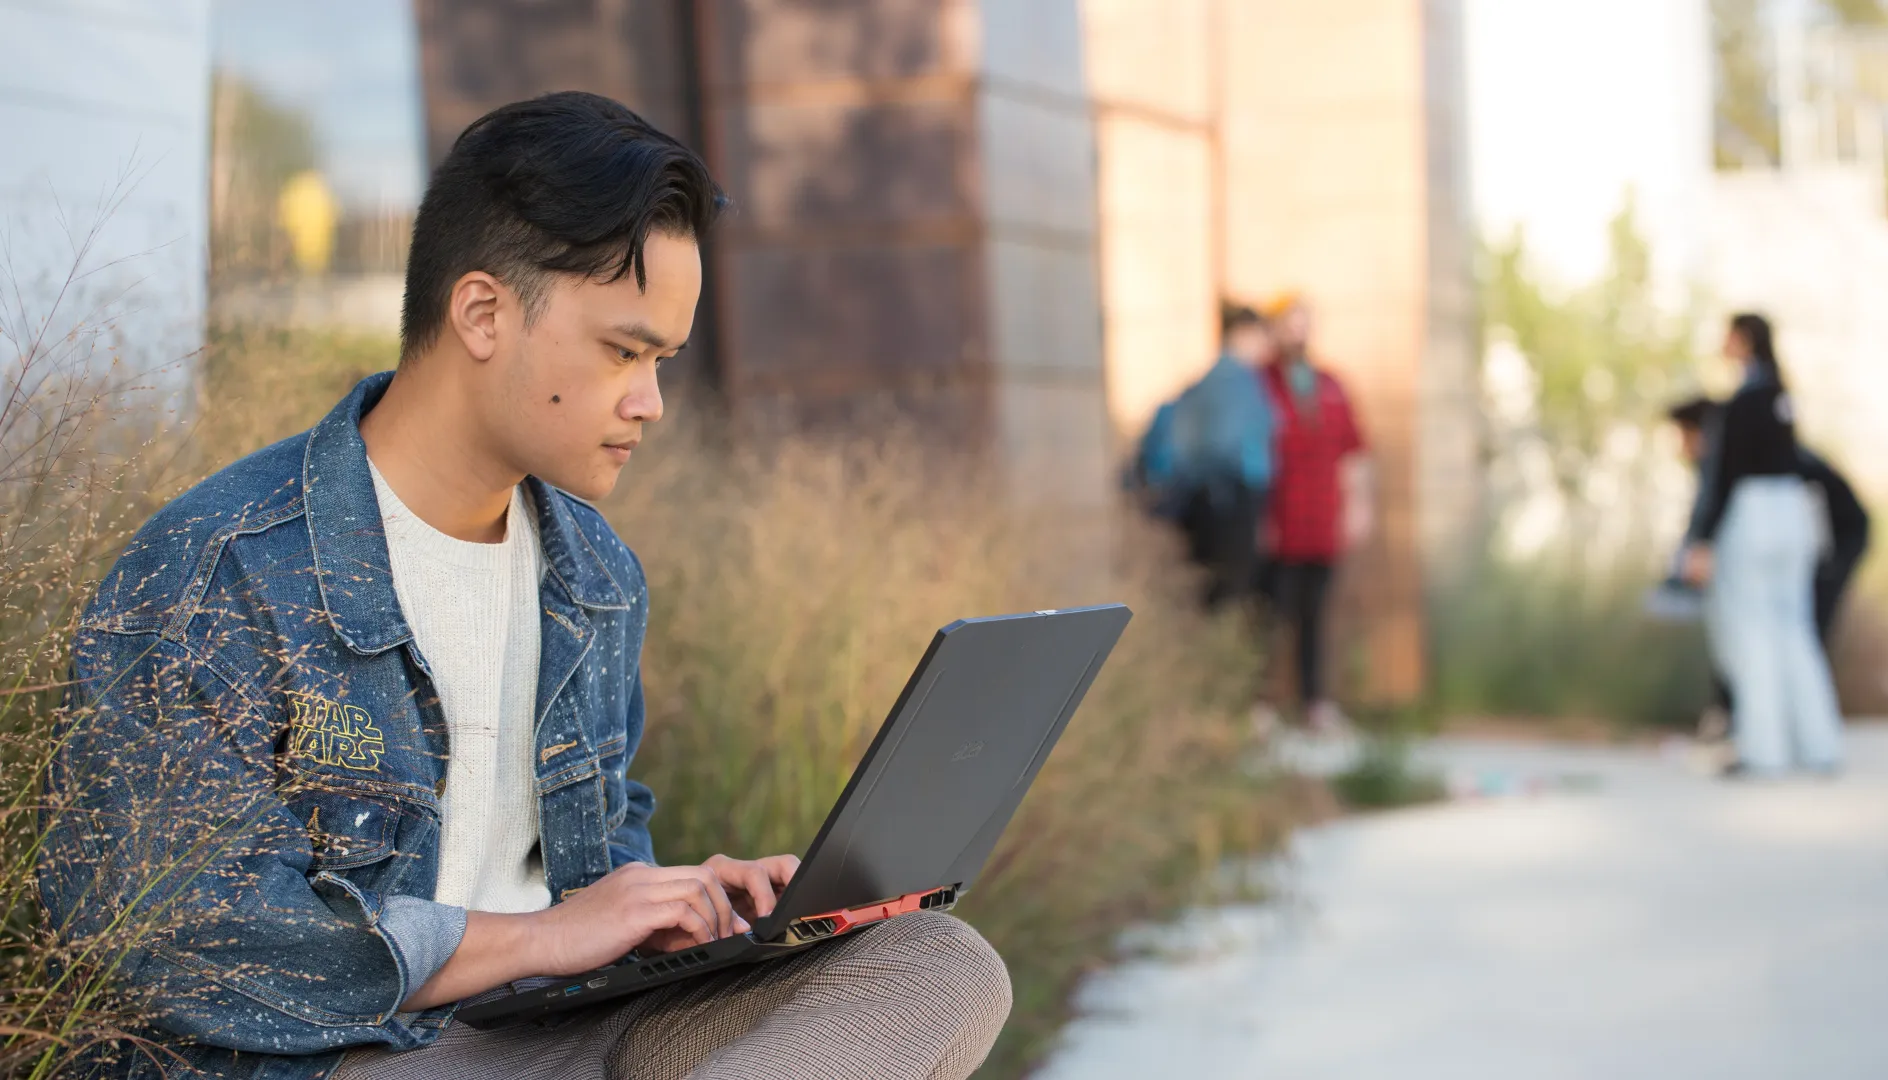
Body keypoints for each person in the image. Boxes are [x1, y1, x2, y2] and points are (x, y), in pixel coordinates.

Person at [38, 93, 1010, 1080]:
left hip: (549, 1032)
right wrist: (545, 937)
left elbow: (598, 854)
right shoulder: (221, 569)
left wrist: (671, 910)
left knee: (935, 962)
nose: (650, 402)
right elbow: (173, 937)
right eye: (623, 352)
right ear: (483, 313)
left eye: (663, 360)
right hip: (347, 1055)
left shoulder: (593, 573)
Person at [1681, 313, 1844, 777]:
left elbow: (1724, 476)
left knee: (1751, 632)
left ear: (1743, 340)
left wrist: (1702, 540)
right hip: (1792, 517)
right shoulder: (1783, 398)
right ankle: (1819, 745)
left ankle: (1764, 750)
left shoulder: (1744, 401)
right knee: (1795, 629)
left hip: (1752, 518)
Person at [1667, 395, 1870, 737]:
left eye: (1683, 436)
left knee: (1786, 633)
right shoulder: (1755, 454)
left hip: (1832, 544)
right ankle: (1786, 735)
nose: (1680, 447)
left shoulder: (1750, 457)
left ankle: (1777, 735)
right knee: (1787, 634)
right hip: (1805, 549)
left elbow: (1715, 507)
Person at [1254, 292, 1374, 733]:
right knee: (1271, 614)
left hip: (1322, 522)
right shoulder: (1260, 383)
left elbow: (1354, 451)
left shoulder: (1331, 385)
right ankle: (1262, 704)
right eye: (1290, 323)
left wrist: (1359, 506)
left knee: (1315, 615)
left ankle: (1315, 702)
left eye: (1304, 323)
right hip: (1279, 522)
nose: (1298, 333)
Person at [1128, 303, 1278, 610]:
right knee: (1230, 593)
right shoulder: (1235, 380)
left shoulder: (1209, 379)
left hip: (1207, 503)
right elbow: (1227, 444)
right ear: (1242, 334)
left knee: (1212, 591)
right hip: (1231, 501)